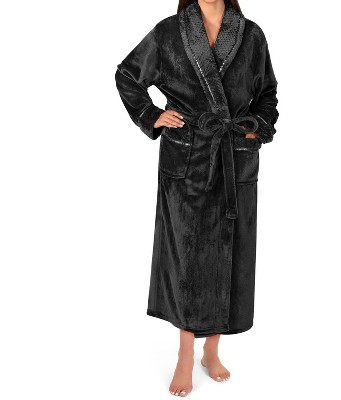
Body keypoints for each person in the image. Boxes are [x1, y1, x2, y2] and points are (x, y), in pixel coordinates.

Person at [115, 0, 279, 396]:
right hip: (187, 157)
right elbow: (127, 75)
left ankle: (212, 351)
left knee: (229, 251)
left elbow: (268, 93)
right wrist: (151, 115)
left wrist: (256, 127)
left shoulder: (251, 34)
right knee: (187, 257)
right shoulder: (169, 31)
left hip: (235, 156)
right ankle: (186, 354)